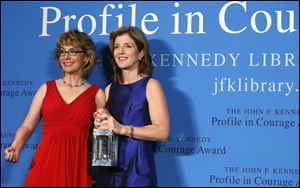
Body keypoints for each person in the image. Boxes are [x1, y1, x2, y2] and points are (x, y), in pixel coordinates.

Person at [4, 29, 106, 187]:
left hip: (76, 167)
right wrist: (16, 145)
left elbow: (102, 138)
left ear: (86, 57)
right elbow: (27, 125)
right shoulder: (46, 88)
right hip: (44, 164)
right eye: (62, 52)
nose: (66, 57)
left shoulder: (97, 94)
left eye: (72, 52)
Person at [94, 26, 170, 187]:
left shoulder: (150, 85)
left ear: (141, 53)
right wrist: (99, 125)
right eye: (116, 47)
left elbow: (162, 132)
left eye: (128, 46)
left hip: (138, 168)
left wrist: (123, 129)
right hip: (108, 169)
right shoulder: (109, 89)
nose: (120, 51)